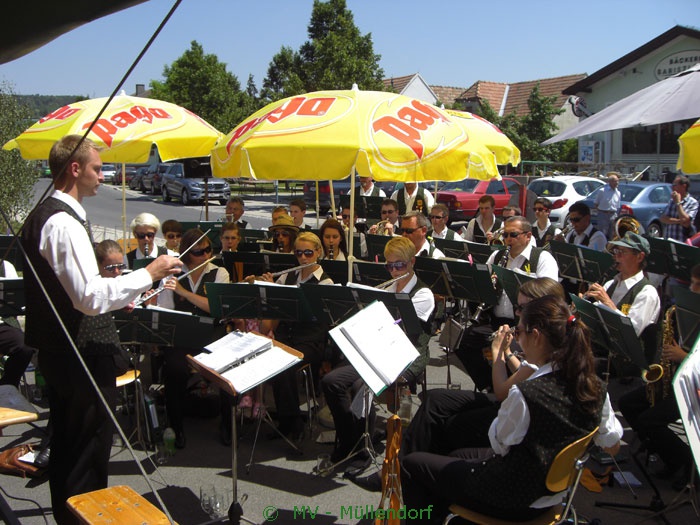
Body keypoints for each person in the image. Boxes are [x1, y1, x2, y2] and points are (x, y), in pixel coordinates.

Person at [21, 134, 181, 524]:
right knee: (85, 454)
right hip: (80, 355)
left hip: (65, 351)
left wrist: (118, 292)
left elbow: (78, 290)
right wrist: (149, 272)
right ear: (75, 169)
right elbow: (88, 297)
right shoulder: (62, 221)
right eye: (97, 167)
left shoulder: (48, 215)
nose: (103, 175)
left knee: (71, 449)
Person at [401, 295, 623, 524]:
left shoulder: (527, 394)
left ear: (536, 336)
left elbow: (499, 442)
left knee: (412, 465)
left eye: (519, 332)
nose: (517, 339)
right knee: (455, 457)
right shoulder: (595, 387)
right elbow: (612, 446)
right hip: (553, 495)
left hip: (514, 501)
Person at [355, 278, 566, 492]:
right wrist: (509, 353)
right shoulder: (545, 343)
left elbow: (503, 391)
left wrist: (498, 354)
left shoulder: (543, 352)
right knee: (435, 399)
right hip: (515, 403)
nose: (517, 312)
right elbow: (523, 372)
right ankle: (401, 469)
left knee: (448, 423)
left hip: (514, 412)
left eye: (522, 308)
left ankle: (410, 473)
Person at [321, 237, 435, 465]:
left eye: (399, 265)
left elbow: (405, 331)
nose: (394, 271)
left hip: (404, 354)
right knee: (331, 381)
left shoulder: (423, 294)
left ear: (412, 262)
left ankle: (359, 447)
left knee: (360, 386)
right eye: (389, 266)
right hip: (376, 350)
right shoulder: (388, 288)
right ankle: (352, 439)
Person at [617, 263, 700, 490]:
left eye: (697, 285)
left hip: (693, 389)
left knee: (650, 420)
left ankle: (687, 462)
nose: (691, 289)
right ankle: (668, 455)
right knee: (628, 403)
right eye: (692, 283)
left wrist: (683, 357)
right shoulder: (686, 313)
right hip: (675, 379)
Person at [455, 216, 558, 391]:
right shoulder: (497, 256)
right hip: (495, 319)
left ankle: (515, 390)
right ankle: (491, 386)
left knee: (511, 349)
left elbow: (549, 295)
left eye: (513, 235)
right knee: (463, 342)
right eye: (505, 235)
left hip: (526, 325)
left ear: (528, 236)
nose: (508, 239)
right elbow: (482, 283)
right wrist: (488, 283)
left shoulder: (542, 258)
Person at [257, 232, 333, 440]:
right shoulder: (286, 278)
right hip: (286, 338)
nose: (303, 258)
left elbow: (321, 322)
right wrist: (269, 291)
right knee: (270, 358)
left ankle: (292, 422)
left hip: (310, 341)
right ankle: (287, 420)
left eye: (308, 253)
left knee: (285, 364)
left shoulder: (326, 284)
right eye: (299, 253)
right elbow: (271, 321)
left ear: (318, 252)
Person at [158, 228, 230, 448]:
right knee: (174, 369)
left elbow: (217, 308)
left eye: (208, 250)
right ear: (187, 254)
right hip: (183, 335)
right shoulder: (172, 274)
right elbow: (165, 310)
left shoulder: (219, 273)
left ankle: (228, 424)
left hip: (212, 335)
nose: (206, 255)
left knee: (228, 369)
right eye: (199, 252)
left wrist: (184, 293)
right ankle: (175, 425)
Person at [583, 232, 661, 363]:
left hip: (628, 365)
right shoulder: (610, 283)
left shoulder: (647, 293)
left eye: (623, 252)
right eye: (616, 251)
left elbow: (632, 333)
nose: (616, 256)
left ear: (639, 257)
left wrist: (608, 304)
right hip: (603, 354)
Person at [0, 259, 35, 388]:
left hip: (2, 323)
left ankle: (7, 387)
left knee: (25, 346)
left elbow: (15, 300)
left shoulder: (6, 266)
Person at [661, 175, 699, 242]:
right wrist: (679, 221)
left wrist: (678, 203)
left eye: (675, 185)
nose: (672, 187)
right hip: (669, 240)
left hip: (682, 241)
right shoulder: (672, 201)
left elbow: (685, 220)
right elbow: (663, 219)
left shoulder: (693, 202)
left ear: (684, 186)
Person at [593, 172, 621, 239]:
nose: (617, 183)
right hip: (603, 214)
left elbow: (617, 206)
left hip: (613, 215)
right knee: (602, 234)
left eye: (617, 181)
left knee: (612, 234)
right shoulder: (602, 191)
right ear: (609, 182)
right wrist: (602, 212)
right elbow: (596, 203)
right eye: (615, 181)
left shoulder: (618, 192)